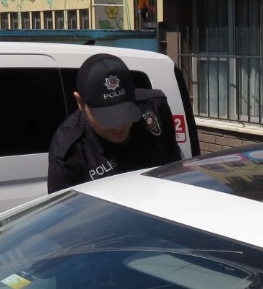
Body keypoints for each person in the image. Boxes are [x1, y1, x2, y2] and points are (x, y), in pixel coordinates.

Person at [47, 52, 182, 192]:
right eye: (107, 118)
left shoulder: (155, 108)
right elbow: (65, 211)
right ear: (80, 102)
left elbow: (174, 171)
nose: (119, 126)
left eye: (125, 114)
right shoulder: (69, 151)